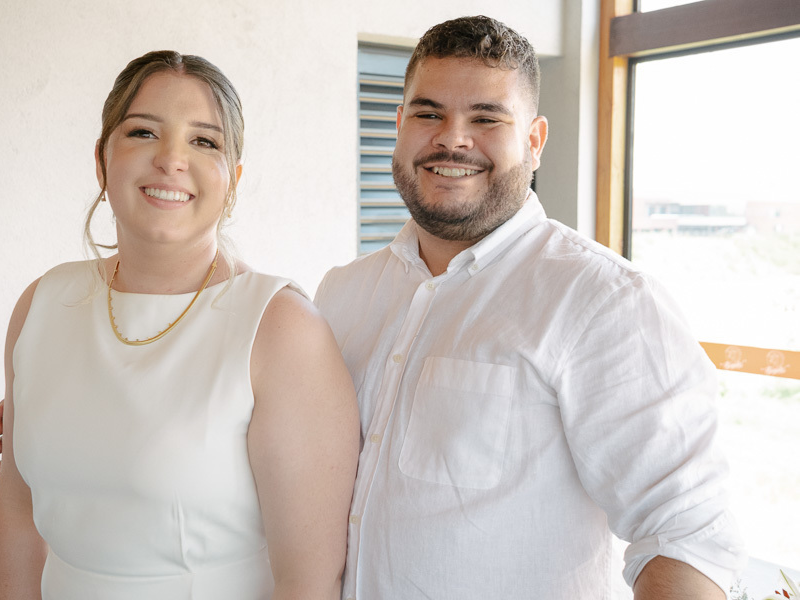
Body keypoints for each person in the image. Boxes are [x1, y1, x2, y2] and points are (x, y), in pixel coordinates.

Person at [312, 16, 745, 599]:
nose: (453, 138)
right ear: (399, 124)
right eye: (428, 113)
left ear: (535, 141)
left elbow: (687, 533)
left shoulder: (603, 300)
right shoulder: (341, 294)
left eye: (486, 117)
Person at [0, 50, 359, 600]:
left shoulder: (281, 328)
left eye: (204, 141)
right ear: (101, 159)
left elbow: (307, 580)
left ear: (232, 180)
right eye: (143, 132)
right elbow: (19, 513)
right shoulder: (41, 303)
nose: (171, 159)